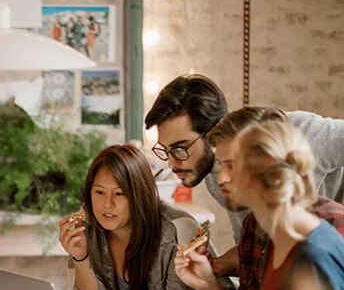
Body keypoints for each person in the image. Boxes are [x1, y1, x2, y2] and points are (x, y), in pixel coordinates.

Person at [174, 120, 344, 290]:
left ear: (268, 169)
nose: (220, 177)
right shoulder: (274, 240)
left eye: (231, 165)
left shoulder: (314, 255)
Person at [58, 144, 232, 290]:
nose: (107, 204)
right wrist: (81, 257)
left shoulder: (174, 229)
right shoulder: (88, 227)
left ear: (139, 194)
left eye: (120, 193)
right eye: (99, 192)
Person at [145, 74, 344, 243]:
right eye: (166, 150)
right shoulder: (216, 178)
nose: (171, 164)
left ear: (212, 131)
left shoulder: (302, 134)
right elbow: (251, 246)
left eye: (180, 148)